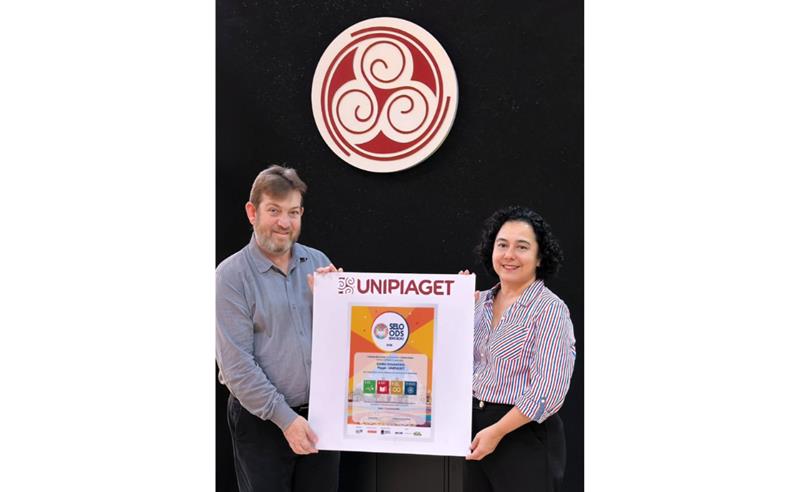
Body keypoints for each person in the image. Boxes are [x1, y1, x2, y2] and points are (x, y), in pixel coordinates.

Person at [216, 165, 340, 492]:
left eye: (293, 212)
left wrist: (336, 305)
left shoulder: (319, 264)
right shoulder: (230, 277)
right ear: (252, 212)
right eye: (274, 210)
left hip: (321, 419)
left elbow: (346, 343)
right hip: (262, 425)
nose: (285, 222)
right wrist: (286, 420)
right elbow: (237, 367)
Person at [461, 206, 576, 492]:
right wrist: (454, 305)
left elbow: (548, 390)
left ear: (539, 257)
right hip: (475, 430)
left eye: (522, 247)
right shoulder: (478, 302)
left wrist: (497, 431)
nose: (509, 255)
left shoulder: (550, 310)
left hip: (523, 434)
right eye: (502, 245)